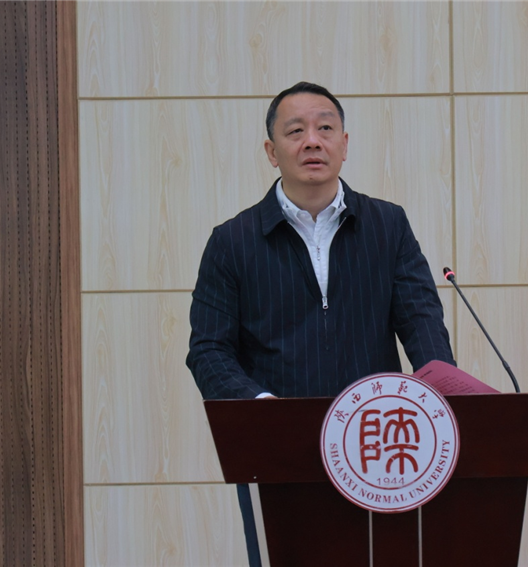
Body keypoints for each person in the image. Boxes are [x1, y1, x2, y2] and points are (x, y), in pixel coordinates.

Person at [186, 82, 455, 566]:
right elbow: (208, 350)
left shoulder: (387, 225)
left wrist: (444, 394)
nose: (313, 141)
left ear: (344, 144)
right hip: (281, 446)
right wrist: (262, 409)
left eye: (325, 128)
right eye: (296, 131)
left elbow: (421, 321)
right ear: (272, 151)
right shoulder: (232, 242)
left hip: (378, 447)